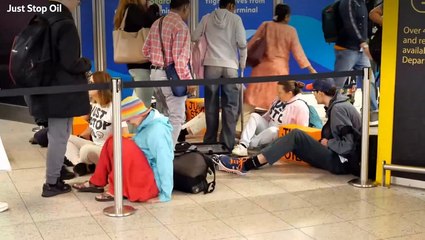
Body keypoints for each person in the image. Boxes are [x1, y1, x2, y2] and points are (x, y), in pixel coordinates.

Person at [216, 78, 362, 176]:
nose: (313, 94)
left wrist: (328, 143)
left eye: (314, 91)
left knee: (296, 135)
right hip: (340, 157)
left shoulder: (338, 109)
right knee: (293, 138)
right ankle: (251, 160)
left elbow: (348, 145)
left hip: (342, 162)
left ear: (321, 93)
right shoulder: (339, 106)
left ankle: (246, 165)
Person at [29, 0, 92, 197]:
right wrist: (86, 63)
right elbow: (70, 62)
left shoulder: (42, 17)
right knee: (59, 134)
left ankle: (56, 173)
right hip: (61, 89)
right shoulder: (64, 23)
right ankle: (51, 182)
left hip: (47, 86)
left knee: (61, 133)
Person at [73, 96, 174, 202]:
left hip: (150, 185)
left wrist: (165, 194)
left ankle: (116, 190)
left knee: (119, 142)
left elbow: (165, 161)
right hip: (143, 176)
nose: (129, 122)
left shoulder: (157, 131)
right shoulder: (147, 125)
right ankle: (97, 182)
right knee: (113, 140)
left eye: (129, 119)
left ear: (137, 114)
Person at [191, 0, 247, 151]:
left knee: (211, 104)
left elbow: (195, 36)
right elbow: (242, 42)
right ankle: (227, 143)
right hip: (230, 66)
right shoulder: (236, 19)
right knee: (230, 105)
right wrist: (242, 62)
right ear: (230, 5)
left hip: (211, 65)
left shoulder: (206, 18)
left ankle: (210, 140)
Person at [244, 4, 316, 112]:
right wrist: (311, 69)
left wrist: (242, 60)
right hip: (279, 70)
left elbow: (251, 44)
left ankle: (244, 126)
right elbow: (298, 52)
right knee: (275, 100)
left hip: (261, 69)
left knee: (252, 101)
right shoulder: (291, 31)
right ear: (286, 16)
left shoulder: (266, 25)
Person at [143, 0, 195, 147]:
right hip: (171, 77)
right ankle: (167, 153)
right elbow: (180, 61)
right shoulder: (180, 27)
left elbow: (145, 50)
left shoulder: (157, 23)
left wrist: (158, 60)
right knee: (177, 116)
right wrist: (189, 81)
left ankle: (160, 148)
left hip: (154, 75)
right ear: (185, 7)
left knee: (163, 116)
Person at [65, 72, 128, 176]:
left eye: (91, 82)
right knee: (64, 138)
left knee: (85, 150)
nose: (88, 85)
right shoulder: (95, 104)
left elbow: (125, 134)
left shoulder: (115, 107)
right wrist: (79, 138)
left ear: (100, 86)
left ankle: (87, 164)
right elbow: (92, 127)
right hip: (95, 145)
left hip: (108, 150)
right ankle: (80, 164)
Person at [232, 81, 309, 156]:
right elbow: (267, 116)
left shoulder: (300, 106)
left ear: (289, 93)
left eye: (280, 92)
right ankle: (243, 144)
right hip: (268, 128)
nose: (278, 95)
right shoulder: (278, 100)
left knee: (273, 130)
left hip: (280, 136)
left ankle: (249, 144)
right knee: (254, 116)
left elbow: (302, 131)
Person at [334, 0, 379, 126]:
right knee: (338, 83)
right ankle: (331, 110)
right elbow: (350, 23)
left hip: (360, 50)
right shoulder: (347, 2)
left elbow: (364, 25)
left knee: (369, 80)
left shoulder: (362, 3)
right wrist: (362, 42)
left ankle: (373, 112)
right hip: (347, 49)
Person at [113, 0, 161, 106]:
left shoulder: (131, 9)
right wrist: (153, 8)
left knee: (140, 102)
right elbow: (149, 22)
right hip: (141, 66)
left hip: (139, 65)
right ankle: (139, 123)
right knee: (143, 105)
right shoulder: (133, 10)